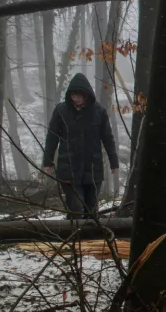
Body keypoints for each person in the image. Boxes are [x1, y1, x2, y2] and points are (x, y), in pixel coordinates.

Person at [42, 73, 119, 218]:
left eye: (78, 95)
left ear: (86, 95)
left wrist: (114, 162)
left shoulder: (99, 112)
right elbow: (52, 137)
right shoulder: (61, 111)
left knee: (91, 212)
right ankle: (73, 236)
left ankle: (89, 240)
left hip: (93, 168)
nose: (75, 99)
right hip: (68, 169)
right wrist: (48, 160)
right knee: (76, 208)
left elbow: (107, 138)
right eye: (73, 95)